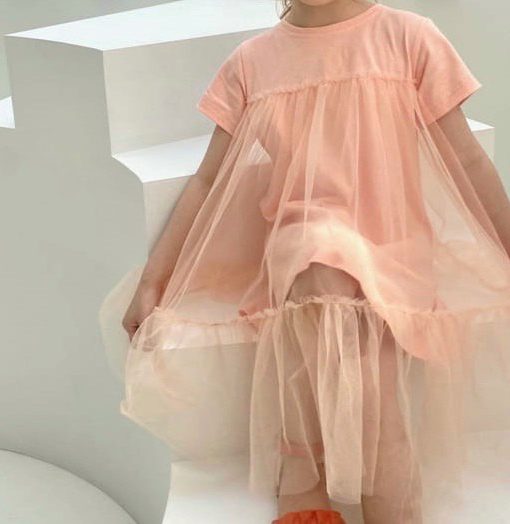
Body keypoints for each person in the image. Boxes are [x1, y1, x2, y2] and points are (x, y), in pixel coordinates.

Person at [119, 1, 510, 522]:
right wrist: (154, 279)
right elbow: (208, 180)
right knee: (321, 258)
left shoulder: (409, 37)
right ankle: (336, 484)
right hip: (303, 246)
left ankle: (310, 476)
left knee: (361, 344)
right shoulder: (253, 62)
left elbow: (466, 159)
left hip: (391, 251)